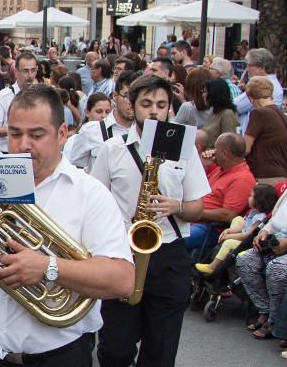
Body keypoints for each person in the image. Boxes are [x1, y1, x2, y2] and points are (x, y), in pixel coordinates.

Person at [0, 84, 134, 366]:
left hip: (57, 357)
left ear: (62, 134)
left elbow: (123, 280)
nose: (23, 144)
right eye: (15, 134)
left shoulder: (89, 193)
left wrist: (48, 268)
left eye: (36, 135)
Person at [89, 75, 209, 367]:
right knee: (114, 349)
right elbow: (93, 201)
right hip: (122, 253)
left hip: (169, 254)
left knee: (160, 351)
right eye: (146, 104)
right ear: (132, 106)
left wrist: (176, 206)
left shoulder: (185, 148)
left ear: (170, 108)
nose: (154, 111)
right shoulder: (112, 149)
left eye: (161, 105)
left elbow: (198, 207)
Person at [237, 151, 287, 340]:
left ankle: (274, 320)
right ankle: (265, 310)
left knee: (277, 269)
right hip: (275, 244)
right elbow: (273, 219)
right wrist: (264, 232)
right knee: (244, 260)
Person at [195, 183, 278, 274]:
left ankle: (212, 267)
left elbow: (247, 235)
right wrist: (229, 231)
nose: (248, 198)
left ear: (259, 201)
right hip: (243, 235)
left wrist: (230, 236)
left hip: (248, 243)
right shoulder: (253, 212)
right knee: (238, 219)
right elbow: (244, 226)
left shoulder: (259, 218)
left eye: (251, 196)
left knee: (228, 243)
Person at [66, 70, 137, 171]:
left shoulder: (145, 132)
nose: (132, 102)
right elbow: (75, 166)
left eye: (137, 97)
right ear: (115, 96)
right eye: (128, 96)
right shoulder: (92, 130)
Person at [0, 51, 39, 152]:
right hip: (6, 153)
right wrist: (21, 131)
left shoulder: (41, 97)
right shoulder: (2, 97)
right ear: (16, 72)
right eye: (25, 71)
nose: (30, 76)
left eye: (33, 70)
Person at [244, 77, 287, 185]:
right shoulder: (282, 115)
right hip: (281, 176)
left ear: (251, 98)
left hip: (263, 177)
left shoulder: (259, 113)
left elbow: (245, 148)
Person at [199, 79, 240, 149]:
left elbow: (229, 144)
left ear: (214, 93)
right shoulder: (214, 113)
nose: (203, 95)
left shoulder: (227, 114)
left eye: (205, 92)